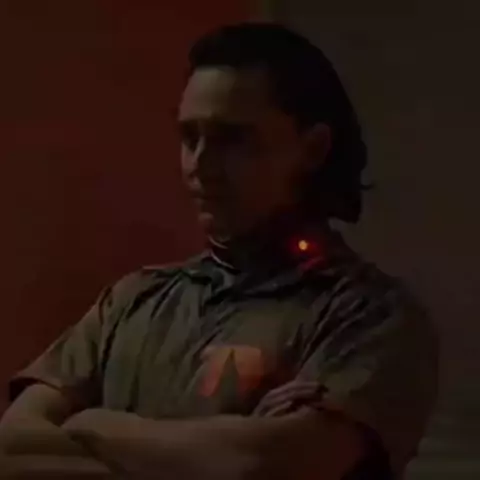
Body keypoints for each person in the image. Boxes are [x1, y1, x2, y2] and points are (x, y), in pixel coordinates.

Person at [0, 23, 438, 479]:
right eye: (190, 138)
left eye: (233, 140)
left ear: (312, 149)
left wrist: (95, 424)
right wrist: (197, 458)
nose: (201, 165)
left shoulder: (370, 317)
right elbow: (11, 448)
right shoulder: (132, 303)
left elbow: (257, 465)